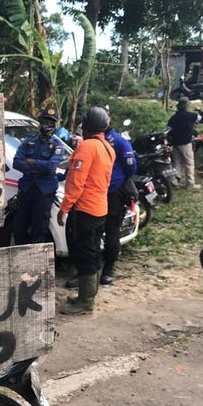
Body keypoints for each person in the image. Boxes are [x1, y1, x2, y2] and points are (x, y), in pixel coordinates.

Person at [58, 106, 115, 315]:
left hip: (85, 210)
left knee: (84, 254)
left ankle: (85, 301)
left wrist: (64, 208)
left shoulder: (87, 147)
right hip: (100, 209)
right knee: (92, 252)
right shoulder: (108, 148)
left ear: (88, 125)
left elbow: (76, 183)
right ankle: (87, 296)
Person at [11, 107, 65, 245]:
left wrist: (31, 162)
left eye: (51, 122)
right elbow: (17, 163)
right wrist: (38, 168)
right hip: (26, 189)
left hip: (44, 193)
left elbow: (51, 167)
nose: (48, 124)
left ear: (56, 124)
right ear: (40, 121)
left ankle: (34, 263)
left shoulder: (58, 146)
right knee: (19, 227)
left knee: (39, 231)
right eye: (45, 120)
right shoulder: (28, 141)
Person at [100, 121, 137, 285]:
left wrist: (117, 181)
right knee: (92, 233)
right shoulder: (92, 141)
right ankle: (88, 271)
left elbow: (130, 167)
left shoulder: (119, 142)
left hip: (113, 193)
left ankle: (108, 268)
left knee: (112, 232)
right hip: (96, 193)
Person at [167, 97, 203, 189]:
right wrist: (200, 111)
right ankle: (190, 183)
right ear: (187, 106)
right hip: (185, 143)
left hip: (175, 143)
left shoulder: (173, 118)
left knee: (177, 163)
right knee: (189, 163)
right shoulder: (191, 115)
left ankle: (175, 182)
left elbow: (168, 131)